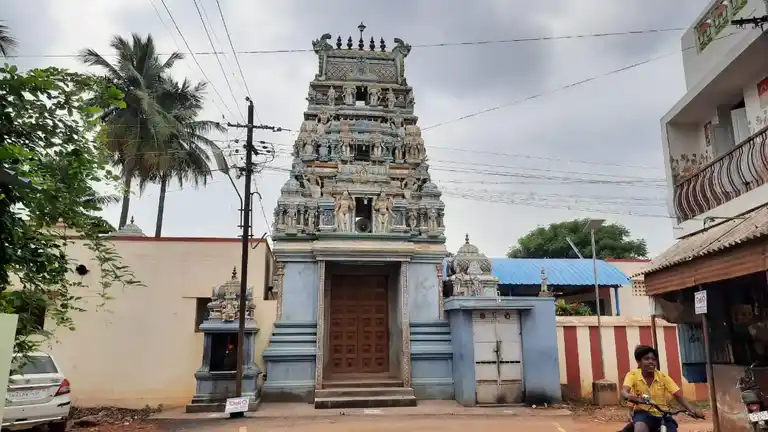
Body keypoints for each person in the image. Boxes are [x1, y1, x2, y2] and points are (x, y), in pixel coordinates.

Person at [620, 345, 703, 432]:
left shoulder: (663, 376)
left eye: (653, 359)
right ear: (639, 362)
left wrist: (692, 410)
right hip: (643, 413)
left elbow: (678, 395)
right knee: (640, 428)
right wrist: (633, 398)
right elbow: (624, 391)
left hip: (663, 414)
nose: (651, 362)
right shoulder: (633, 374)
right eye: (646, 359)